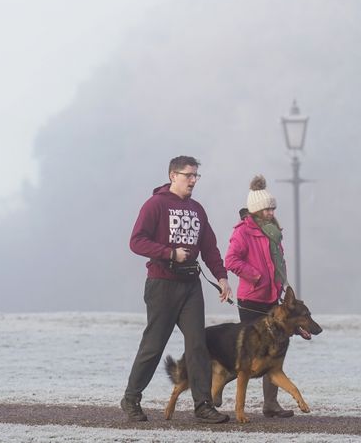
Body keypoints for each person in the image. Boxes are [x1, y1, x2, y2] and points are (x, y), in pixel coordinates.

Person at [121, 155, 233, 424]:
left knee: (198, 345)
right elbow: (136, 242)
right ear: (173, 175)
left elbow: (209, 248)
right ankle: (131, 398)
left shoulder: (197, 209)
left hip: (191, 286)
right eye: (188, 175)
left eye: (196, 175)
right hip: (162, 285)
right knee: (153, 346)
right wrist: (170, 253)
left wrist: (222, 277)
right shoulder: (155, 205)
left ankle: (203, 405)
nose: (193, 180)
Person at [224, 174, 295, 418]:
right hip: (251, 300)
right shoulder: (243, 232)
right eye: (266, 209)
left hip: (272, 299)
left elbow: (278, 261)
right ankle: (219, 389)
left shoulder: (274, 232)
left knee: (275, 350)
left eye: (273, 208)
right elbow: (231, 260)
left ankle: (271, 404)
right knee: (248, 354)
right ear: (256, 210)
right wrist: (256, 276)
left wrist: (280, 283)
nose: (271, 212)